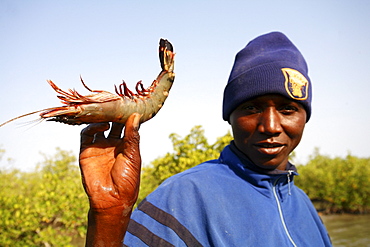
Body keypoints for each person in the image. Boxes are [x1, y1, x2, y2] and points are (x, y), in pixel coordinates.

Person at [79, 32, 332, 246]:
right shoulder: (182, 196)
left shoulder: (304, 206)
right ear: (229, 116)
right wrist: (108, 218)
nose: (270, 126)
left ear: (304, 117)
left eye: (288, 109)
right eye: (251, 108)